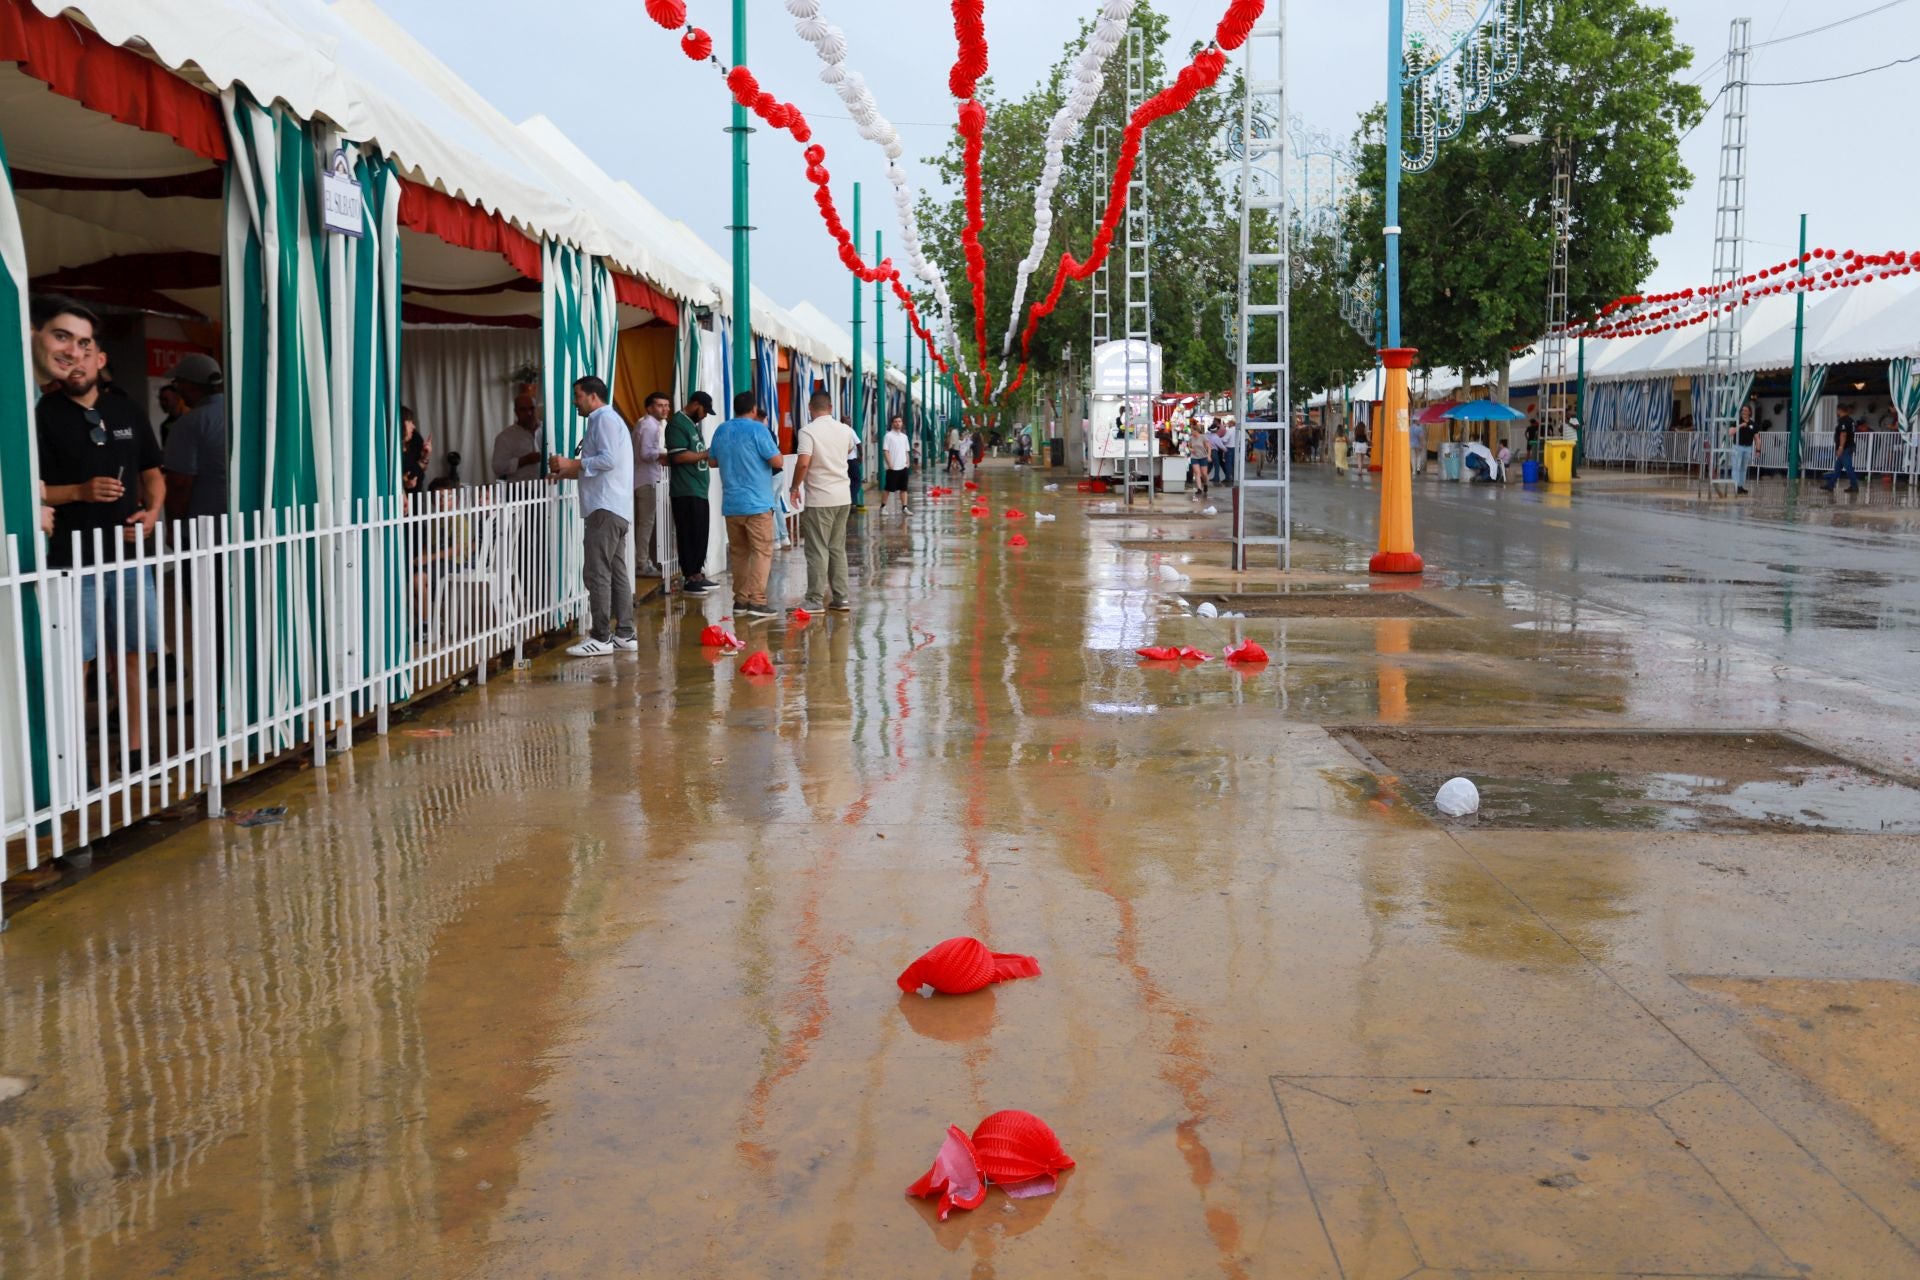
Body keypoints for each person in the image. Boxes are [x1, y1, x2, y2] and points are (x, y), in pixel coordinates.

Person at [37, 315, 166, 765]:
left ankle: (135, 750)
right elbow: (26, 492)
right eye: (66, 345)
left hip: (129, 557)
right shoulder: (41, 416)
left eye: (86, 348)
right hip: (72, 560)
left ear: (100, 358)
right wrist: (79, 492)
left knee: (132, 654)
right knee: (80, 658)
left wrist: (151, 514)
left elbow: (153, 475)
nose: (77, 358)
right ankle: (71, 758)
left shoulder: (126, 411)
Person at [546, 376, 636, 656]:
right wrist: (567, 470)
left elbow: (608, 460)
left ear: (592, 396)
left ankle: (601, 636)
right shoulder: (608, 421)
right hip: (616, 506)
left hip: (605, 508)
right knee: (617, 571)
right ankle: (624, 634)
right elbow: (600, 464)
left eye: (578, 396)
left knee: (596, 572)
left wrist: (573, 463)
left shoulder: (604, 420)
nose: (575, 401)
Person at [708, 391, 784, 618]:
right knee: (761, 552)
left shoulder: (722, 429)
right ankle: (757, 602)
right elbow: (777, 460)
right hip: (758, 504)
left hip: (732, 503)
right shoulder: (758, 429)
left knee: (740, 554)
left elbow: (712, 461)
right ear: (753, 410)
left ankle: (740, 601)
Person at [793, 390, 858, 614]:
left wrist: (794, 487)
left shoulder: (807, 432)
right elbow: (849, 450)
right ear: (831, 408)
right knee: (837, 548)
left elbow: (803, 463)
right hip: (843, 497)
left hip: (820, 498)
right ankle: (841, 598)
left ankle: (814, 599)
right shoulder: (846, 430)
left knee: (817, 549)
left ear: (810, 408)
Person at [664, 390, 719, 595]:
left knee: (700, 534)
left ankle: (697, 573)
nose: (704, 415)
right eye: (704, 411)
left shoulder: (692, 426)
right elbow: (678, 456)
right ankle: (689, 576)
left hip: (698, 489)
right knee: (688, 534)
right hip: (685, 489)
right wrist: (706, 453)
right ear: (695, 404)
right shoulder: (677, 424)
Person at [161, 353, 227, 524]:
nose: (179, 391)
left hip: (205, 529)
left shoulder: (189, 423)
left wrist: (173, 527)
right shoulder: (243, 415)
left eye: (178, 383)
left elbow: (179, 484)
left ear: (189, 385)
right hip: (248, 525)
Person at [631, 390, 669, 578]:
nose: (665, 409)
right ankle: (642, 562)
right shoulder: (649, 426)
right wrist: (665, 455)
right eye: (660, 405)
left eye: (666, 405)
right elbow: (645, 454)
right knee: (646, 523)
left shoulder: (648, 424)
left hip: (645, 478)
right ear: (649, 407)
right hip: (646, 479)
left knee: (646, 522)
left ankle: (643, 560)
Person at [492, 388, 543, 484]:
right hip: (519, 491)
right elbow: (497, 467)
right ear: (516, 412)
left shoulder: (547, 431)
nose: (529, 413)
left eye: (532, 408)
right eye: (523, 409)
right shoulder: (505, 437)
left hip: (547, 490)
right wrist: (523, 460)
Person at [1823, 409, 1860, 494]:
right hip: (1849, 446)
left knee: (1849, 468)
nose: (1836, 413)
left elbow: (1843, 434)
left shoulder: (1844, 421)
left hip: (1845, 448)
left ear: (1840, 410)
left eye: (1837, 411)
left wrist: (1840, 447)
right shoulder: (1851, 420)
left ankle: (1854, 486)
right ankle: (1830, 485)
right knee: (1837, 468)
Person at [881, 413, 912, 515]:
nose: (898, 423)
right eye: (895, 422)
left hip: (903, 467)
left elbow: (906, 451)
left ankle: (905, 507)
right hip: (892, 468)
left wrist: (908, 461)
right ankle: (883, 507)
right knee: (888, 488)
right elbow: (885, 451)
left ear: (902, 423)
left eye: (899, 421)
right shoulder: (888, 436)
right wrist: (889, 463)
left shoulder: (904, 437)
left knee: (904, 488)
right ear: (892, 423)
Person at [401, 408, 431, 493]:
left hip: (416, 499)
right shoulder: (392, 452)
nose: (413, 426)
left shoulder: (415, 441)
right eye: (409, 421)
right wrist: (404, 483)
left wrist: (425, 456)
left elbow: (419, 469)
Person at [1731, 402, 1757, 495]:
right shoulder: (1737, 421)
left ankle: (1740, 486)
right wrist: (1740, 425)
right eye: (1743, 410)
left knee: (1743, 468)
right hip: (1738, 447)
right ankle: (1735, 486)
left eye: (1746, 410)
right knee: (1736, 467)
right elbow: (1730, 432)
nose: (1744, 412)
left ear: (1750, 412)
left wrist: (1758, 449)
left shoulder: (1752, 423)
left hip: (1748, 447)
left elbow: (1756, 437)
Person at [1185, 422, 1211, 499]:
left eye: (1192, 431)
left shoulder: (1203, 437)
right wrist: (1190, 449)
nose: (1191, 432)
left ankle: (1205, 483)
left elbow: (1208, 447)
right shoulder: (1191, 438)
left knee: (1204, 474)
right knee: (1197, 473)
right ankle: (1199, 488)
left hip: (1203, 456)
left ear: (1196, 431)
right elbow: (1188, 446)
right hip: (1194, 457)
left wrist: (1209, 456)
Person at [847, 416, 865, 509]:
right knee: (856, 480)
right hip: (851, 460)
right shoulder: (850, 430)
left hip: (840, 461)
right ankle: (850, 499)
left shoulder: (836, 431)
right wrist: (861, 455)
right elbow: (858, 444)